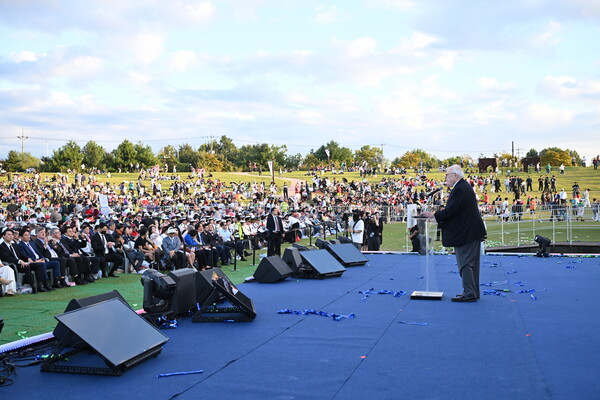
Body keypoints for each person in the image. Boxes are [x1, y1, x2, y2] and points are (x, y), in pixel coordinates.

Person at [422, 165, 487, 302]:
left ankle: (469, 292)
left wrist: (433, 214)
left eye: (448, 175)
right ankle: (472, 292)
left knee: (465, 263)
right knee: (472, 264)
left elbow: (451, 211)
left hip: (466, 233)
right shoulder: (462, 187)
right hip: (471, 231)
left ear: (456, 176)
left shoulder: (460, 189)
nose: (446, 178)